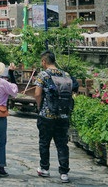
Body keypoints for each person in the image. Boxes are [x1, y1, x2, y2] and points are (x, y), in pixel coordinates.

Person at [34, 50, 79, 183]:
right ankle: (64, 173)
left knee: (44, 142)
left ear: (44, 62)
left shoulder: (43, 75)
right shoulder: (65, 74)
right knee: (62, 144)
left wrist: (39, 107)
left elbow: (37, 94)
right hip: (63, 115)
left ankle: (44, 168)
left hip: (47, 115)